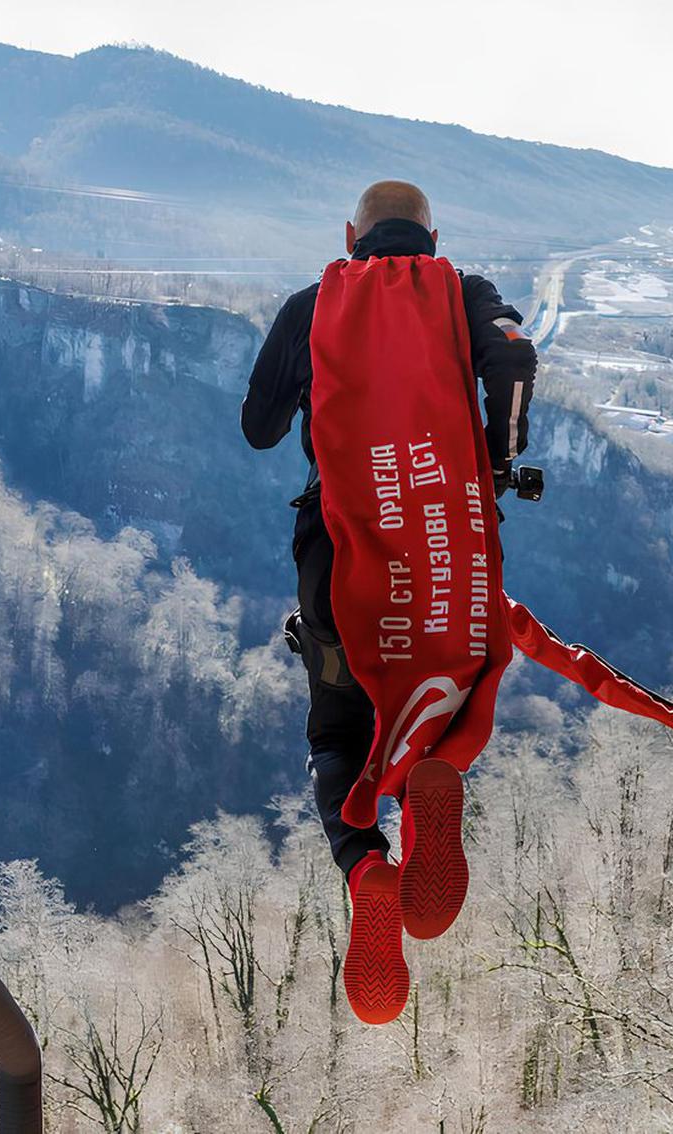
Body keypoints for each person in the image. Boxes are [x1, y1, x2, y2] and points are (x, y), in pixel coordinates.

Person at [241, 180, 537, 1022]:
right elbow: (513, 358)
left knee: (337, 720)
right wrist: (494, 455)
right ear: (433, 239)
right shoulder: (464, 294)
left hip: (338, 547)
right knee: (441, 681)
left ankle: (368, 867)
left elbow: (258, 428)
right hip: (448, 540)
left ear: (350, 234)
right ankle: (429, 779)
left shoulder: (313, 304)